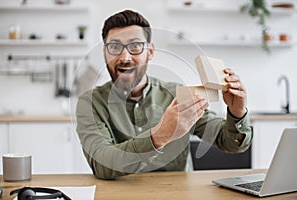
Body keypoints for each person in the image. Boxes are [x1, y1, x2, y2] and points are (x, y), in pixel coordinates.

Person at [76, 9, 253, 180]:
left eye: (135, 46)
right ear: (105, 53)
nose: (125, 57)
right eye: (114, 47)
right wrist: (161, 134)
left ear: (150, 52)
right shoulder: (91, 103)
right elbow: (102, 164)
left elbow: (230, 143)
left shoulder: (176, 94)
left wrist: (237, 113)